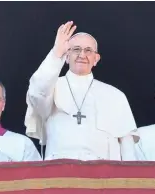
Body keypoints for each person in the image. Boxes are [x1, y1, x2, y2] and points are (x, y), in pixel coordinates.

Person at [24, 21, 138, 161]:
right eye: (76, 49)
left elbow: (128, 151)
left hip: (103, 176)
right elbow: (37, 92)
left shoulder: (115, 95)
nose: (82, 55)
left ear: (96, 59)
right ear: (66, 56)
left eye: (88, 50)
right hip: (59, 174)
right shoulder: (52, 87)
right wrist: (56, 53)